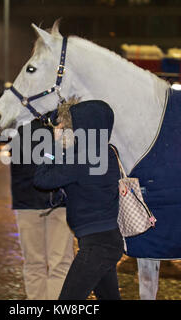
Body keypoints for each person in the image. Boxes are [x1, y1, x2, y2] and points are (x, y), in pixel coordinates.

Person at [33, 100, 123, 300]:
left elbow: (42, 179)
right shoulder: (106, 152)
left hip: (97, 246)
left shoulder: (81, 158)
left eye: (72, 125)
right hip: (106, 242)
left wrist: (54, 145)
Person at [0, 113, 74, 300]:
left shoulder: (57, 115)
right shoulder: (18, 118)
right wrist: (3, 110)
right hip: (33, 200)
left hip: (56, 200)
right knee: (44, 263)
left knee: (55, 263)